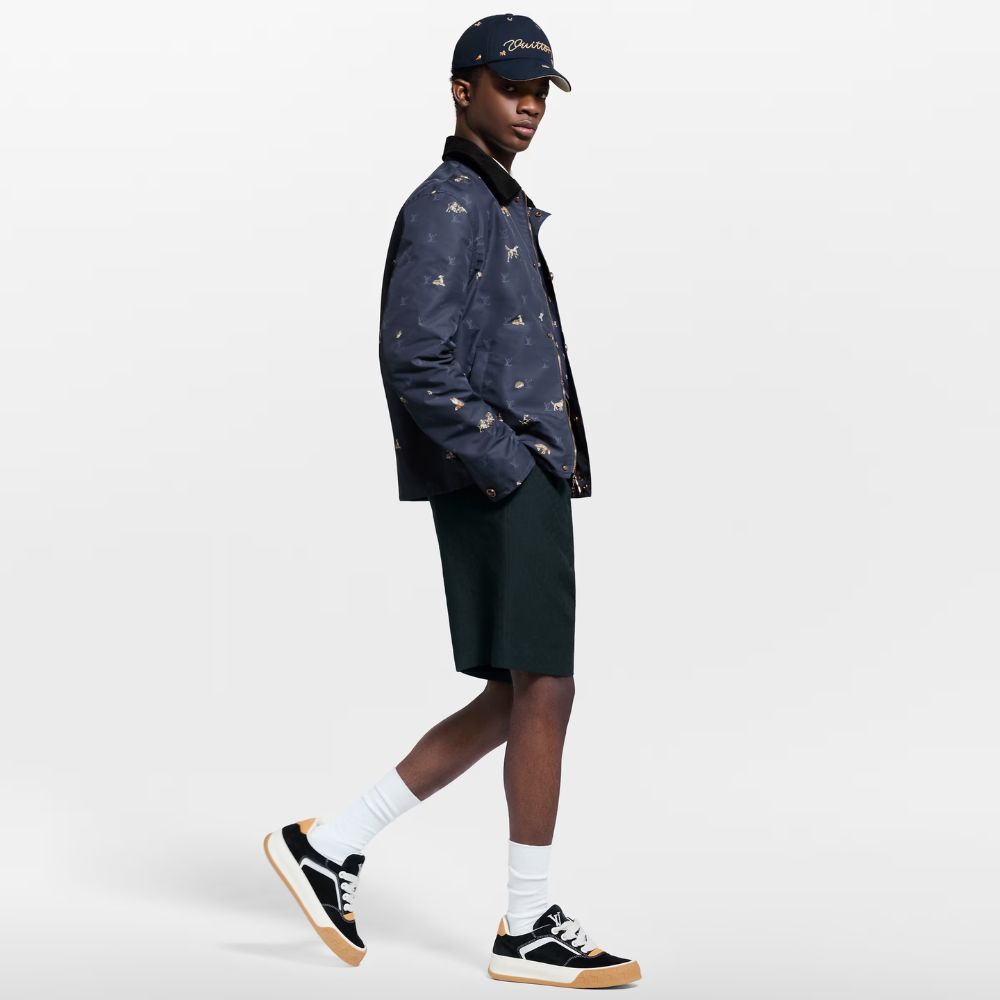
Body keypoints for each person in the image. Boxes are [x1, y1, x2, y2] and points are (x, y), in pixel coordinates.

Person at [264, 13, 640, 989]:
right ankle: (528, 923)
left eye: (540, 92)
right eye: (511, 87)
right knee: (545, 687)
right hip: (504, 474)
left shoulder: (495, 201)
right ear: (461, 89)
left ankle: (330, 845)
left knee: (517, 693)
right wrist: (509, 464)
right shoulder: (450, 203)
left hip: (517, 472)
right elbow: (414, 358)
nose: (529, 106)